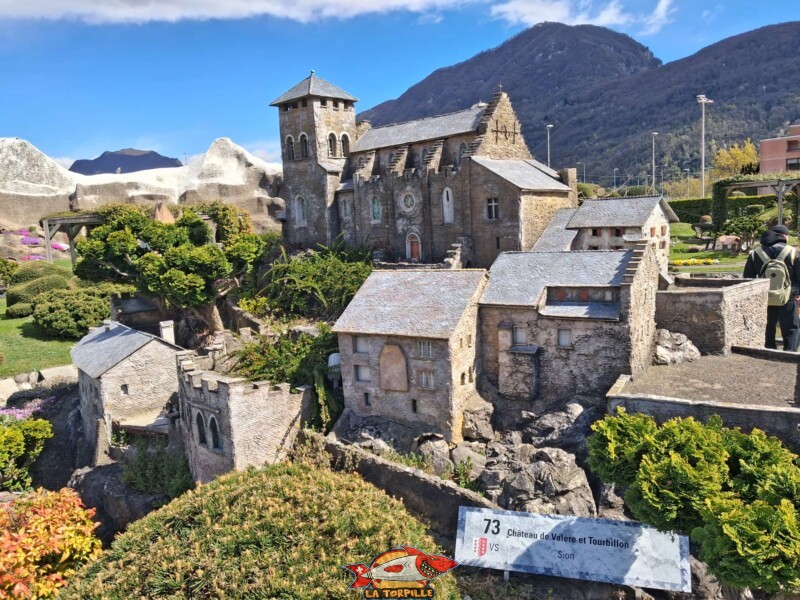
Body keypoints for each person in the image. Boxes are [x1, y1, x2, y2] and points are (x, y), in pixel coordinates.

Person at [743, 224, 800, 351]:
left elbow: (747, 278)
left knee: (766, 329)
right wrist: (794, 292)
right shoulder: (794, 252)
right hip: (787, 298)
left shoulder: (755, 253)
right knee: (791, 329)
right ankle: (789, 355)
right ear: (784, 236)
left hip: (764, 299)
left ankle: (768, 353)